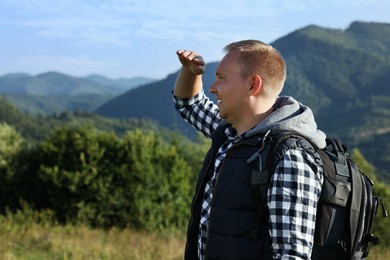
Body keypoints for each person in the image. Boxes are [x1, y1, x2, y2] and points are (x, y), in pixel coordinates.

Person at [173, 40, 326, 259]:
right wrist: (190, 72)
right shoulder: (230, 134)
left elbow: (290, 255)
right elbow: (188, 104)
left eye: (221, 78)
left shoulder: (289, 157)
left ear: (253, 85)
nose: (213, 87)